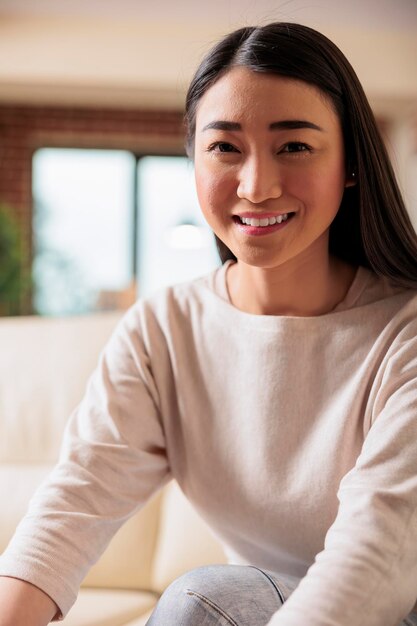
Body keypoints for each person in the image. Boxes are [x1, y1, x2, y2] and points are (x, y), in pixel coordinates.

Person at [1, 21, 417, 626]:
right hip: (257, 609)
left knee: (200, 601)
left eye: (294, 146)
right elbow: (72, 506)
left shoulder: (403, 333)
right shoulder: (164, 329)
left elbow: (377, 555)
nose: (257, 185)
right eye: (225, 147)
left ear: (351, 165)